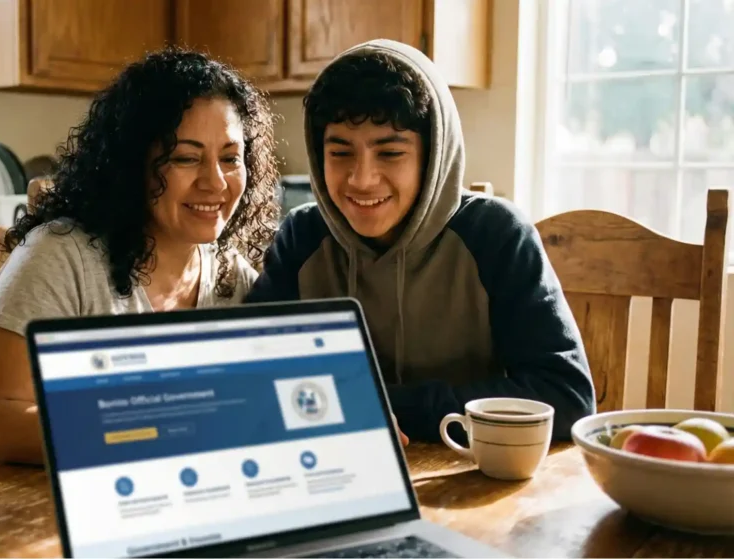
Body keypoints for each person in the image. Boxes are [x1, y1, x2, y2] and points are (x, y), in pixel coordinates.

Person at [0, 47, 281, 484]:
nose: (215, 181)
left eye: (230, 158)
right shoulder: (59, 256)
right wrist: (162, 426)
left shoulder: (231, 276)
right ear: (132, 163)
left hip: (118, 497)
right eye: (186, 157)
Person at [245, 39, 596, 443]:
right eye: (340, 153)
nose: (361, 179)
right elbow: (252, 374)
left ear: (432, 156)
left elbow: (566, 398)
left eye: (390, 153)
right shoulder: (302, 236)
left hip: (472, 482)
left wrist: (387, 407)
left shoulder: (496, 235)